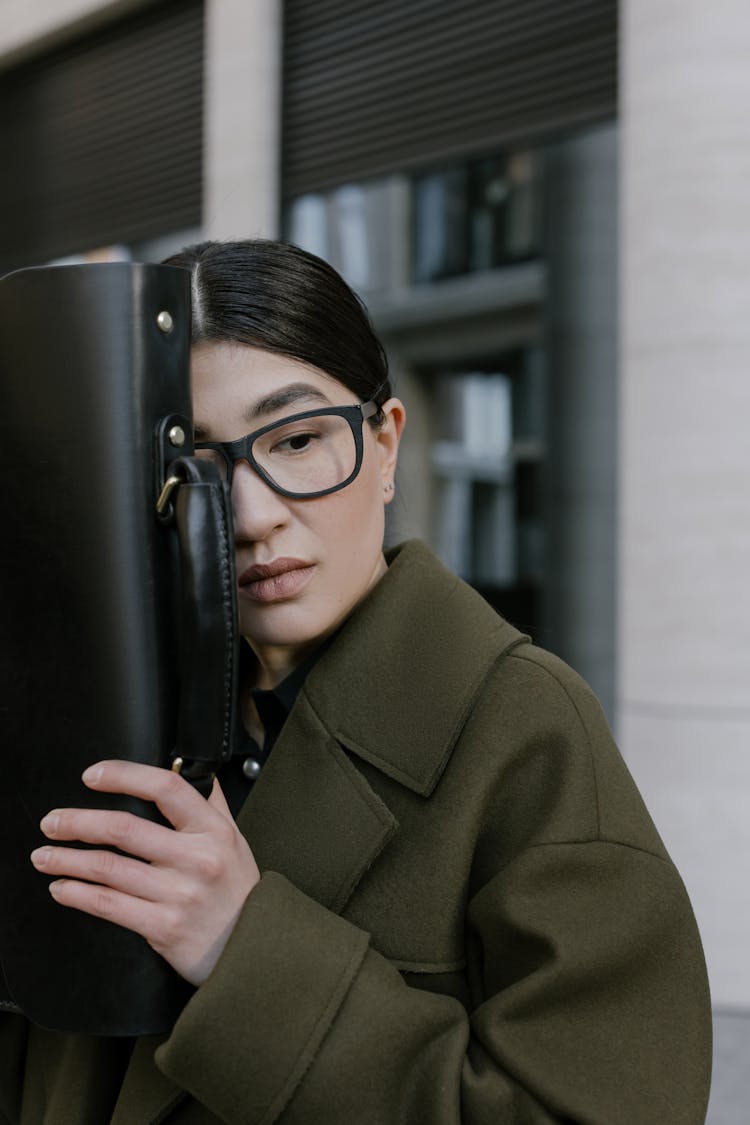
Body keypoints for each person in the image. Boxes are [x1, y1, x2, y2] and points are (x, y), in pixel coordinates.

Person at [1, 240, 711, 1123]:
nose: (254, 516)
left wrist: (243, 950)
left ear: (384, 446)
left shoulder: (527, 728)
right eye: (202, 464)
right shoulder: (112, 714)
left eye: (296, 440)